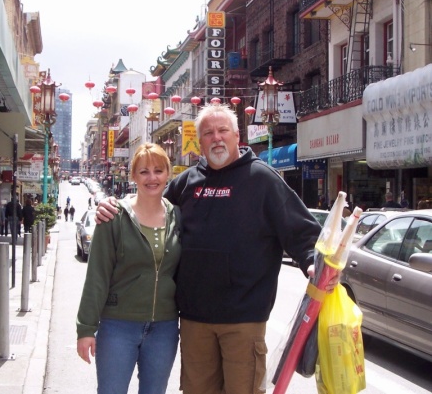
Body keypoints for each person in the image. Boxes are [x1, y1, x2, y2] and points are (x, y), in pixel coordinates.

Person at [96, 104, 339, 394]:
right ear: (199, 143)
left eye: (223, 130)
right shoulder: (186, 182)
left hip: (243, 318)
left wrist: (314, 262)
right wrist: (113, 206)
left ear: (238, 135)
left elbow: (303, 232)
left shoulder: (263, 179)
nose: (216, 138)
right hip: (194, 318)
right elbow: (149, 208)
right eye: (208, 133)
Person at [76, 143, 181, 394]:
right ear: (133, 176)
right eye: (144, 171)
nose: (152, 178)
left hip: (164, 328)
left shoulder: (178, 216)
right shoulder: (113, 217)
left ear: (168, 174)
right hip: (118, 326)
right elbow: (97, 276)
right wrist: (86, 328)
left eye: (158, 170)